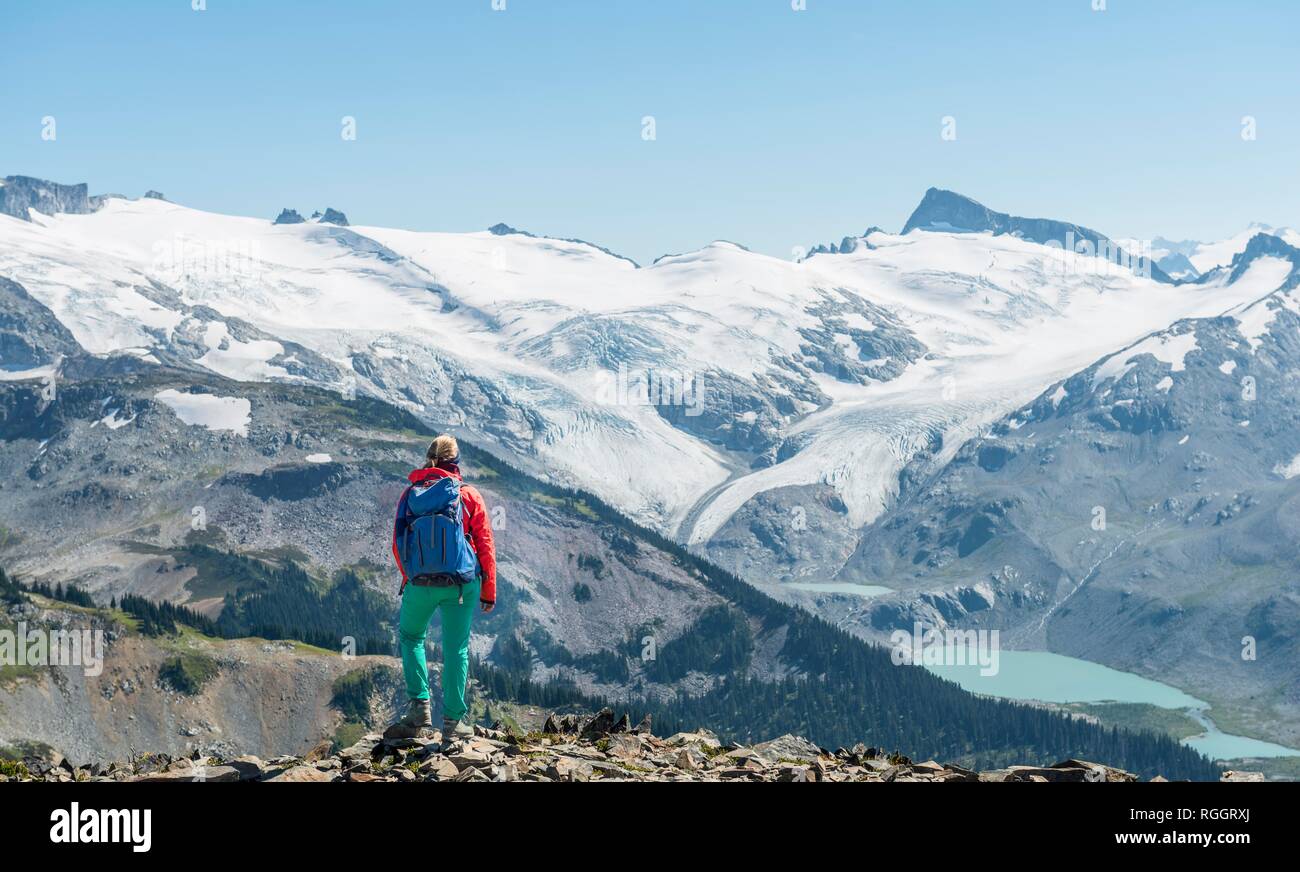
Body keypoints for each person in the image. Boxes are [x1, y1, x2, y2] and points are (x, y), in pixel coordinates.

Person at [386, 434, 496, 739]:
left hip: (419, 584)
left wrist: (411, 575)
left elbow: (398, 543)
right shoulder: (468, 495)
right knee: (456, 648)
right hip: (460, 585)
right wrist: (489, 591)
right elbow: (485, 544)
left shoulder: (411, 494)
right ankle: (452, 723)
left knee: (411, 637)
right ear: (456, 462)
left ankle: (419, 708)